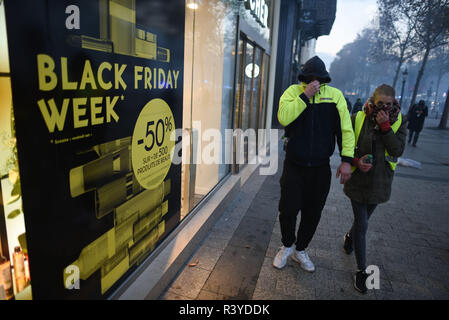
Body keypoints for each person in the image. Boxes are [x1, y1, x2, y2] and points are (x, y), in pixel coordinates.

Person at [273, 56, 355, 272]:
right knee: (288, 210)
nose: (315, 82)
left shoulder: (335, 96)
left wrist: (347, 161)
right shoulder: (293, 92)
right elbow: (283, 118)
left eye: (318, 79)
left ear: (325, 78)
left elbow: (345, 130)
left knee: (313, 212)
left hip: (320, 168)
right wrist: (305, 96)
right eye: (310, 78)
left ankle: (301, 250)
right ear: (304, 77)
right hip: (294, 165)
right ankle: (287, 245)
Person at [343, 84, 407, 293]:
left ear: (394, 103)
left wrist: (386, 127)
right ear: (373, 99)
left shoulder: (399, 120)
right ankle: (362, 272)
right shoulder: (357, 118)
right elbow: (345, 145)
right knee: (362, 223)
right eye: (380, 103)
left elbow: (397, 150)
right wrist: (355, 160)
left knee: (363, 221)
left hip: (380, 183)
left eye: (388, 104)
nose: (384, 108)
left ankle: (349, 238)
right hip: (358, 180)